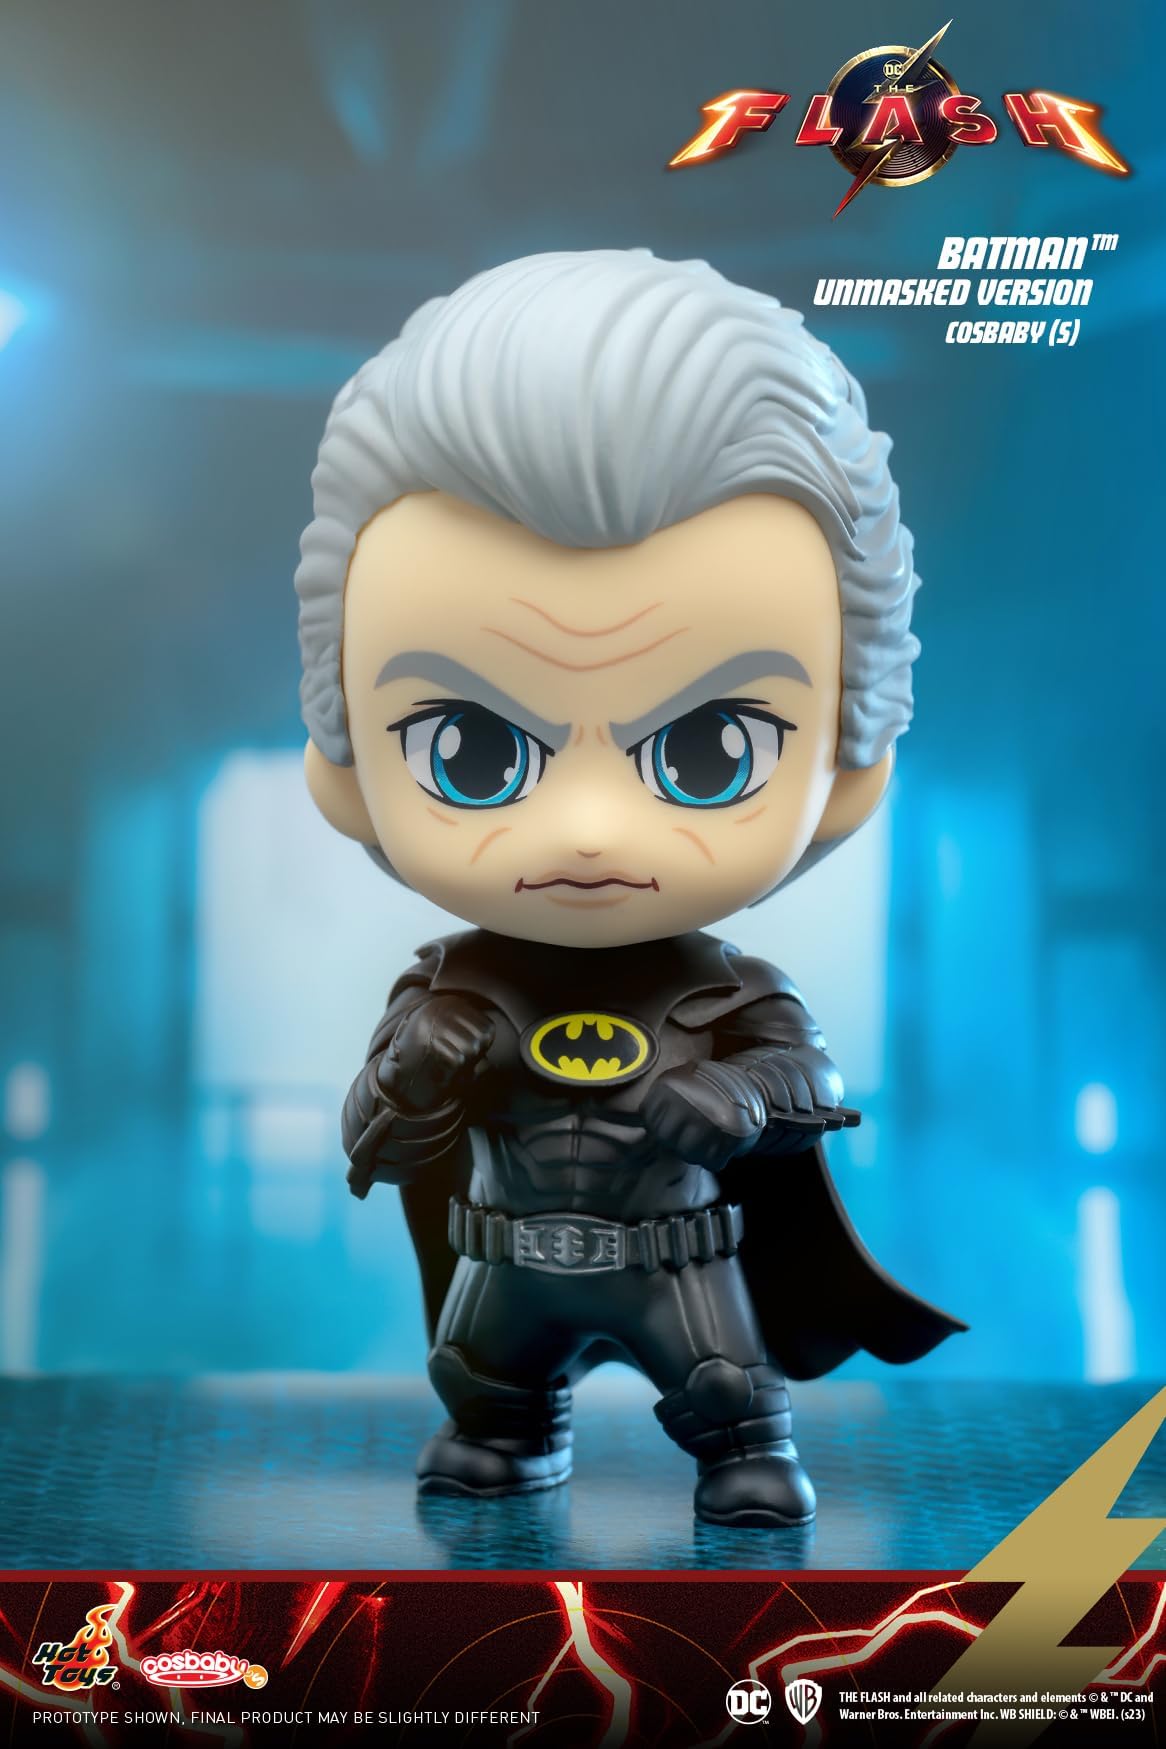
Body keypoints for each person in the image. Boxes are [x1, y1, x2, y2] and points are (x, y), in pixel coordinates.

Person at [294, 249, 964, 1527]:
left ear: (847, 772)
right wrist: (416, 1073)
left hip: (677, 1266)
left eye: (709, 751)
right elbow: (375, 1144)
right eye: (472, 751)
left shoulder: (728, 993)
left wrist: (737, 1096)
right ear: (344, 770)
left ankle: (732, 1446)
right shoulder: (444, 983)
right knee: (480, 1400)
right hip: (505, 1266)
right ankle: (507, 1426)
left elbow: (809, 1083)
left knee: (733, 1409)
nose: (591, 829)